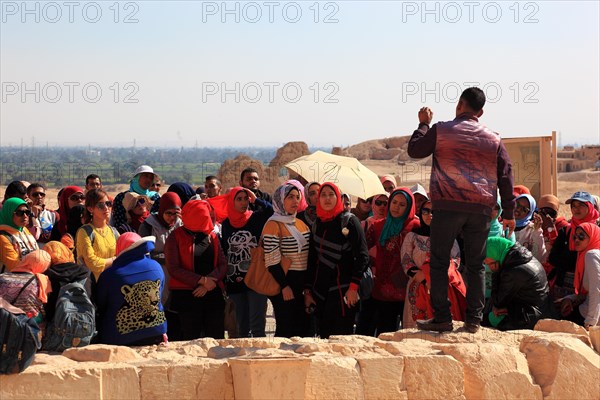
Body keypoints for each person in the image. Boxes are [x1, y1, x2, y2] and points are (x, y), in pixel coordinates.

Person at [408, 87, 516, 333]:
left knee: (438, 261)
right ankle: (474, 320)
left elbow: (415, 151)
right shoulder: (494, 138)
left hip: (447, 206)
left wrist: (423, 124)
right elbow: (506, 175)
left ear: (459, 105)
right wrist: (508, 212)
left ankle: (443, 318)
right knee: (476, 264)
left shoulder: (442, 130)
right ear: (481, 112)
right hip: (480, 209)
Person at [304, 183, 369, 338]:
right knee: (324, 338)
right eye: (323, 195)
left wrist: (353, 288)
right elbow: (312, 260)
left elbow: (362, 256)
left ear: (338, 197)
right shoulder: (317, 224)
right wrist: (307, 292)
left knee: (342, 339)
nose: (327, 198)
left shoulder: (349, 221)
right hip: (321, 293)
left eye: (331, 194)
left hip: (345, 291)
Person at [164, 200, 227, 339]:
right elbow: (173, 268)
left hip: (212, 293)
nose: (209, 218)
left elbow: (222, 264)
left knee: (215, 338)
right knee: (190, 338)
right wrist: (201, 280)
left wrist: (210, 283)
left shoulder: (212, 236)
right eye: (205, 215)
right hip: (187, 295)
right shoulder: (175, 237)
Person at [401, 201, 466, 329]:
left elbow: (455, 260)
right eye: (425, 211)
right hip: (417, 285)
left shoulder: (448, 236)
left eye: (434, 212)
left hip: (441, 286)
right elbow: (406, 260)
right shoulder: (412, 236)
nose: (429, 215)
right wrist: (421, 276)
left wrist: (427, 274)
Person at [218, 187, 273, 338]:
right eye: (239, 199)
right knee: (241, 326)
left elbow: (272, 211)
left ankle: (258, 358)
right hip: (234, 281)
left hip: (256, 279)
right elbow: (225, 250)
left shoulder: (256, 218)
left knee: (257, 326)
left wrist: (256, 200)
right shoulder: (226, 224)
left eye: (245, 199)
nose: (244, 202)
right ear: (232, 201)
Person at [96, 233, 167, 345]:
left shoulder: (109, 274)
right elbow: (159, 297)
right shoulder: (156, 266)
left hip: (119, 336)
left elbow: (101, 304)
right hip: (155, 332)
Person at [366, 187, 420, 334]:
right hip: (383, 291)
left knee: (410, 335)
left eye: (402, 205)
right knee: (386, 333)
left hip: (409, 290)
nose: (396, 207)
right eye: (394, 202)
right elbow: (362, 249)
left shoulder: (416, 226)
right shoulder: (378, 226)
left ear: (409, 207)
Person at [263, 183, 310, 338]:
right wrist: (284, 286)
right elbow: (271, 261)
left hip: (301, 284)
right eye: (290, 197)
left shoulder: (300, 223)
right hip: (284, 284)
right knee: (285, 329)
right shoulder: (272, 224)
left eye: (298, 197)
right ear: (280, 199)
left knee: (302, 330)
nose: (295, 201)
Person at [483, 237, 552, 330]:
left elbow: (498, 301)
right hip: (538, 309)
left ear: (496, 254)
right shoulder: (521, 258)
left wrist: (495, 272)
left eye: (489, 262)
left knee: (486, 318)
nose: (487, 266)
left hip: (530, 318)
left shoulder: (513, 271)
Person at [547, 191, 599, 304]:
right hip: (564, 283)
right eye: (574, 206)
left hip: (591, 284)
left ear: (590, 207)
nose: (576, 209)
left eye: (581, 205)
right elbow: (553, 258)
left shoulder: (597, 231)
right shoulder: (566, 230)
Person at [555, 223, 600, 329]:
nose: (576, 240)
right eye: (574, 236)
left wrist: (590, 321)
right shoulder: (586, 255)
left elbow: (596, 290)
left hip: (590, 317)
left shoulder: (592, 255)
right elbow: (587, 292)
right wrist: (569, 298)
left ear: (593, 236)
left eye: (581, 236)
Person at [0, 250, 52, 331]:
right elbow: (45, 306)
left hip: (5, 325)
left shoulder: (2, 277)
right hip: (32, 328)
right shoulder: (42, 281)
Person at [43, 241, 92, 323]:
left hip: (58, 326)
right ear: (67, 252)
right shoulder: (85, 272)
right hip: (84, 323)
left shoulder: (47, 276)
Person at [76, 189, 119, 282]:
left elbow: (123, 254)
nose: (106, 208)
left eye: (108, 203)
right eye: (101, 205)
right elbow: (92, 263)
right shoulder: (84, 232)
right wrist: (115, 259)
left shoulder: (114, 232)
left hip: (113, 282)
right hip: (93, 286)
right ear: (90, 209)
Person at [0, 198, 38, 272]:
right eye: (19, 213)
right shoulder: (2, 237)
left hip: (30, 276)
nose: (25, 216)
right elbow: (14, 265)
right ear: (9, 213)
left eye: (27, 212)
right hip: (11, 281)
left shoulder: (24, 230)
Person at [513, 194, 547, 262]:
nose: (518, 209)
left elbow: (540, 257)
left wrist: (537, 231)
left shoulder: (532, 229)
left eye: (524, 209)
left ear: (529, 213)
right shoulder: (501, 226)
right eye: (517, 204)